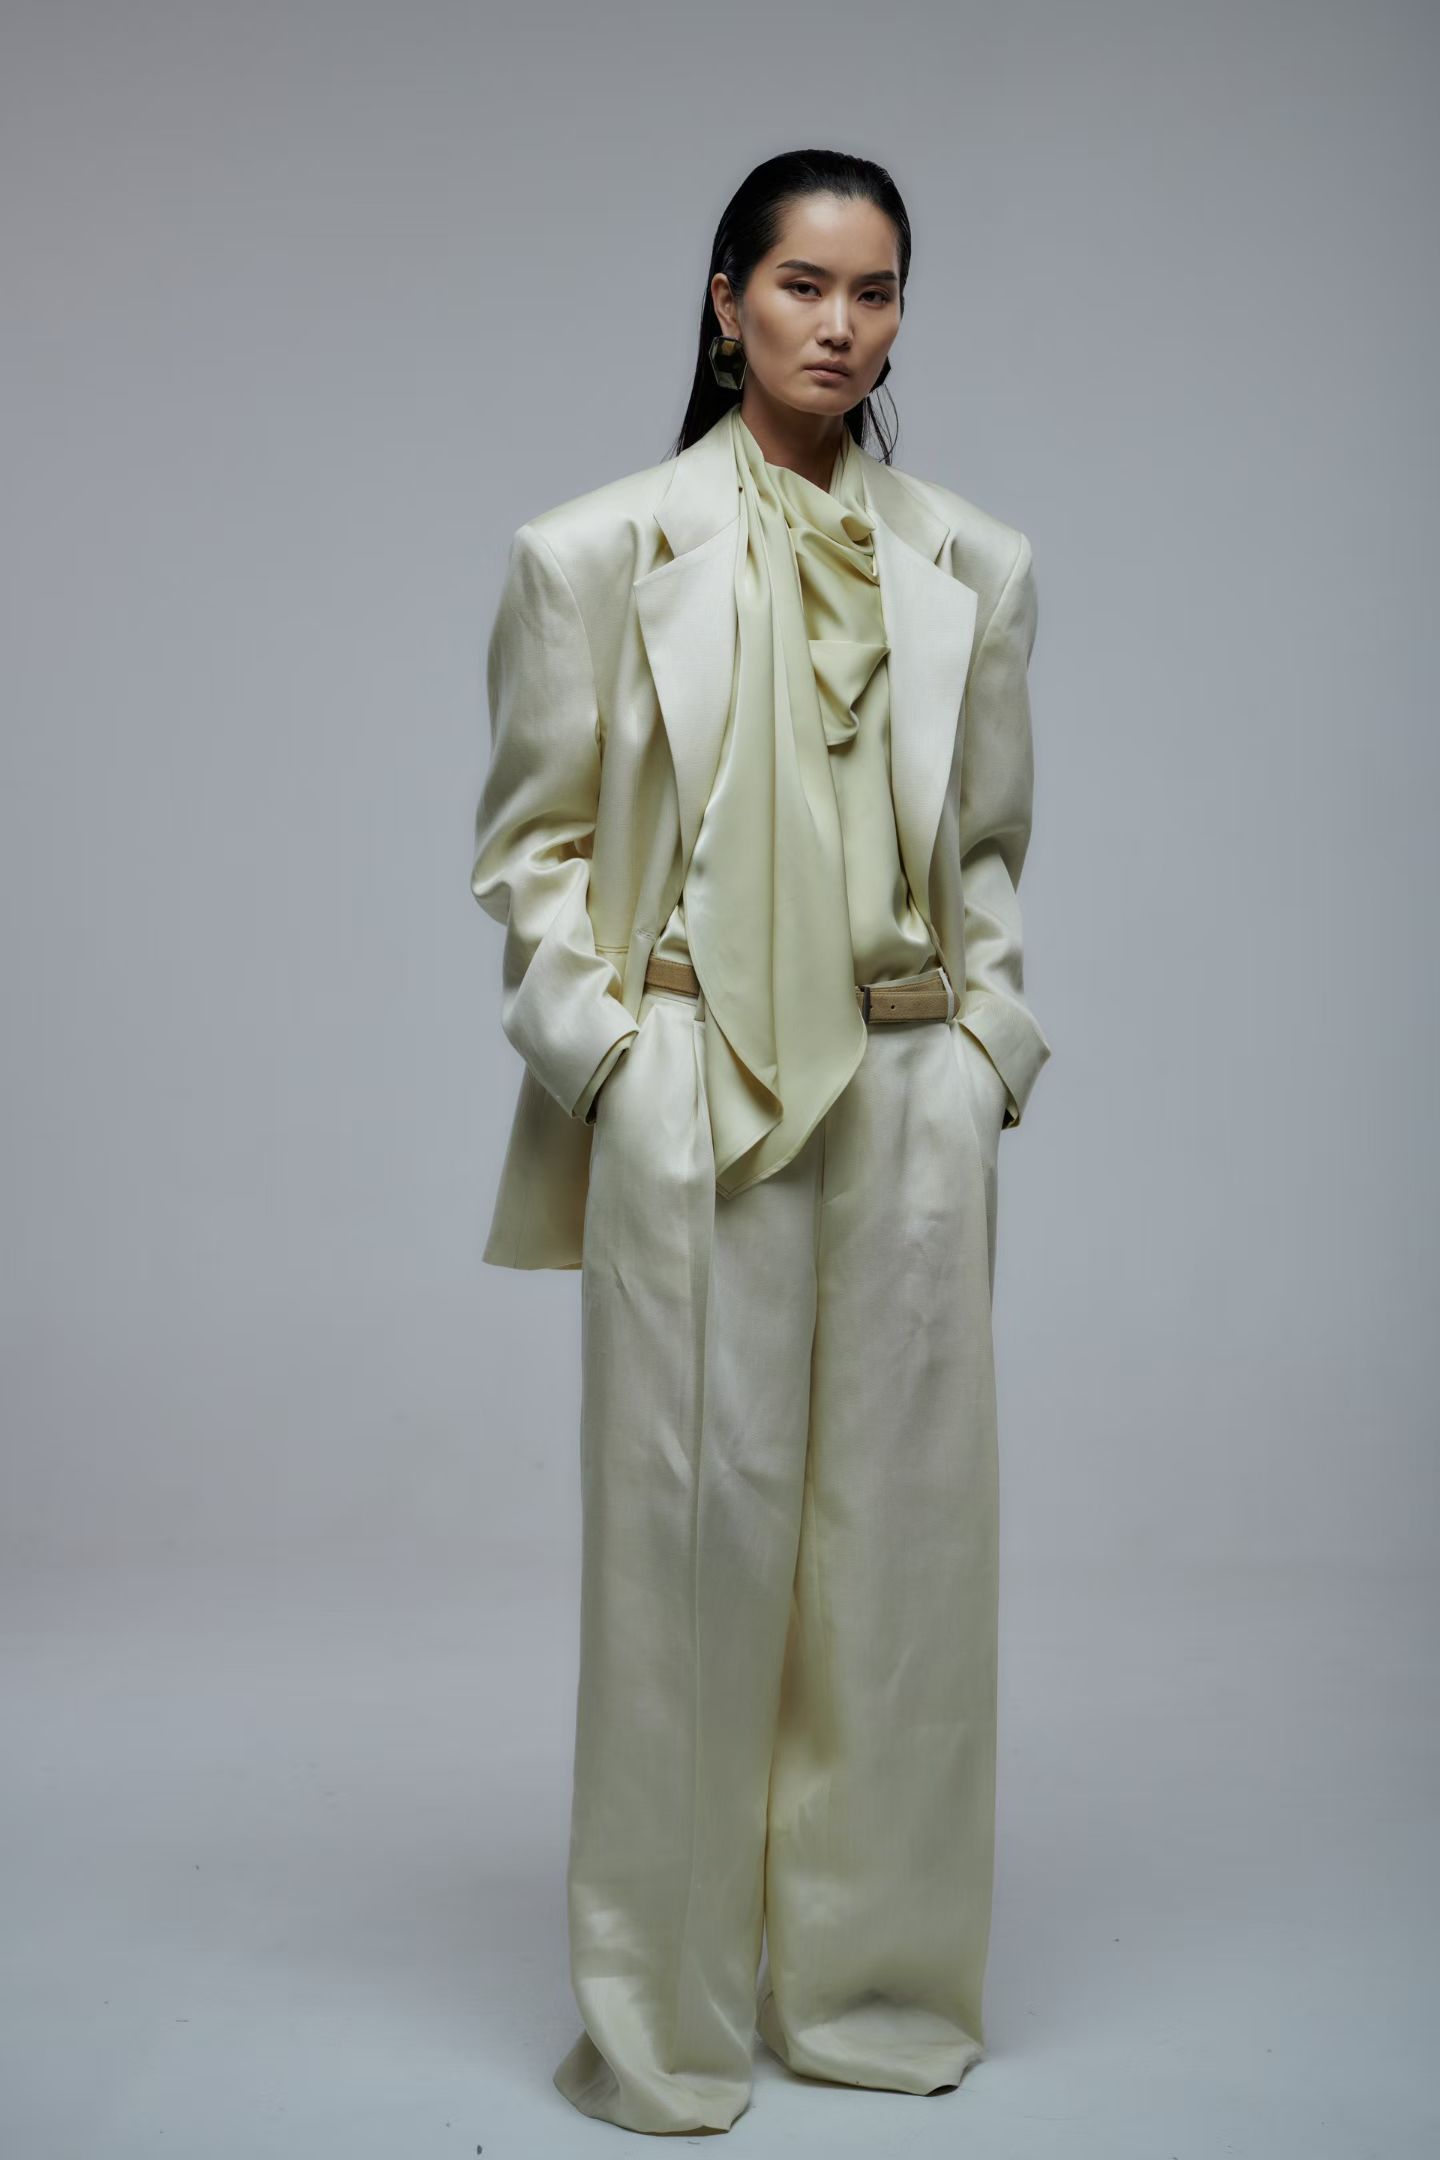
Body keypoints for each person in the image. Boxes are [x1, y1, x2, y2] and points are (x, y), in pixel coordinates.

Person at [470, 146, 1052, 2136]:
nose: (840, 325)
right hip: (693, 1087)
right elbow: (530, 852)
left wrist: (985, 1055)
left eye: (876, 291)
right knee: (686, 1556)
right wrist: (613, 1064)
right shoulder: (592, 554)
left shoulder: (975, 565)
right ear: (726, 302)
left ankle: (875, 1992)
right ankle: (665, 2019)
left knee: (905, 1564)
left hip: (905, 1092)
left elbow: (989, 850)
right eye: (802, 283)